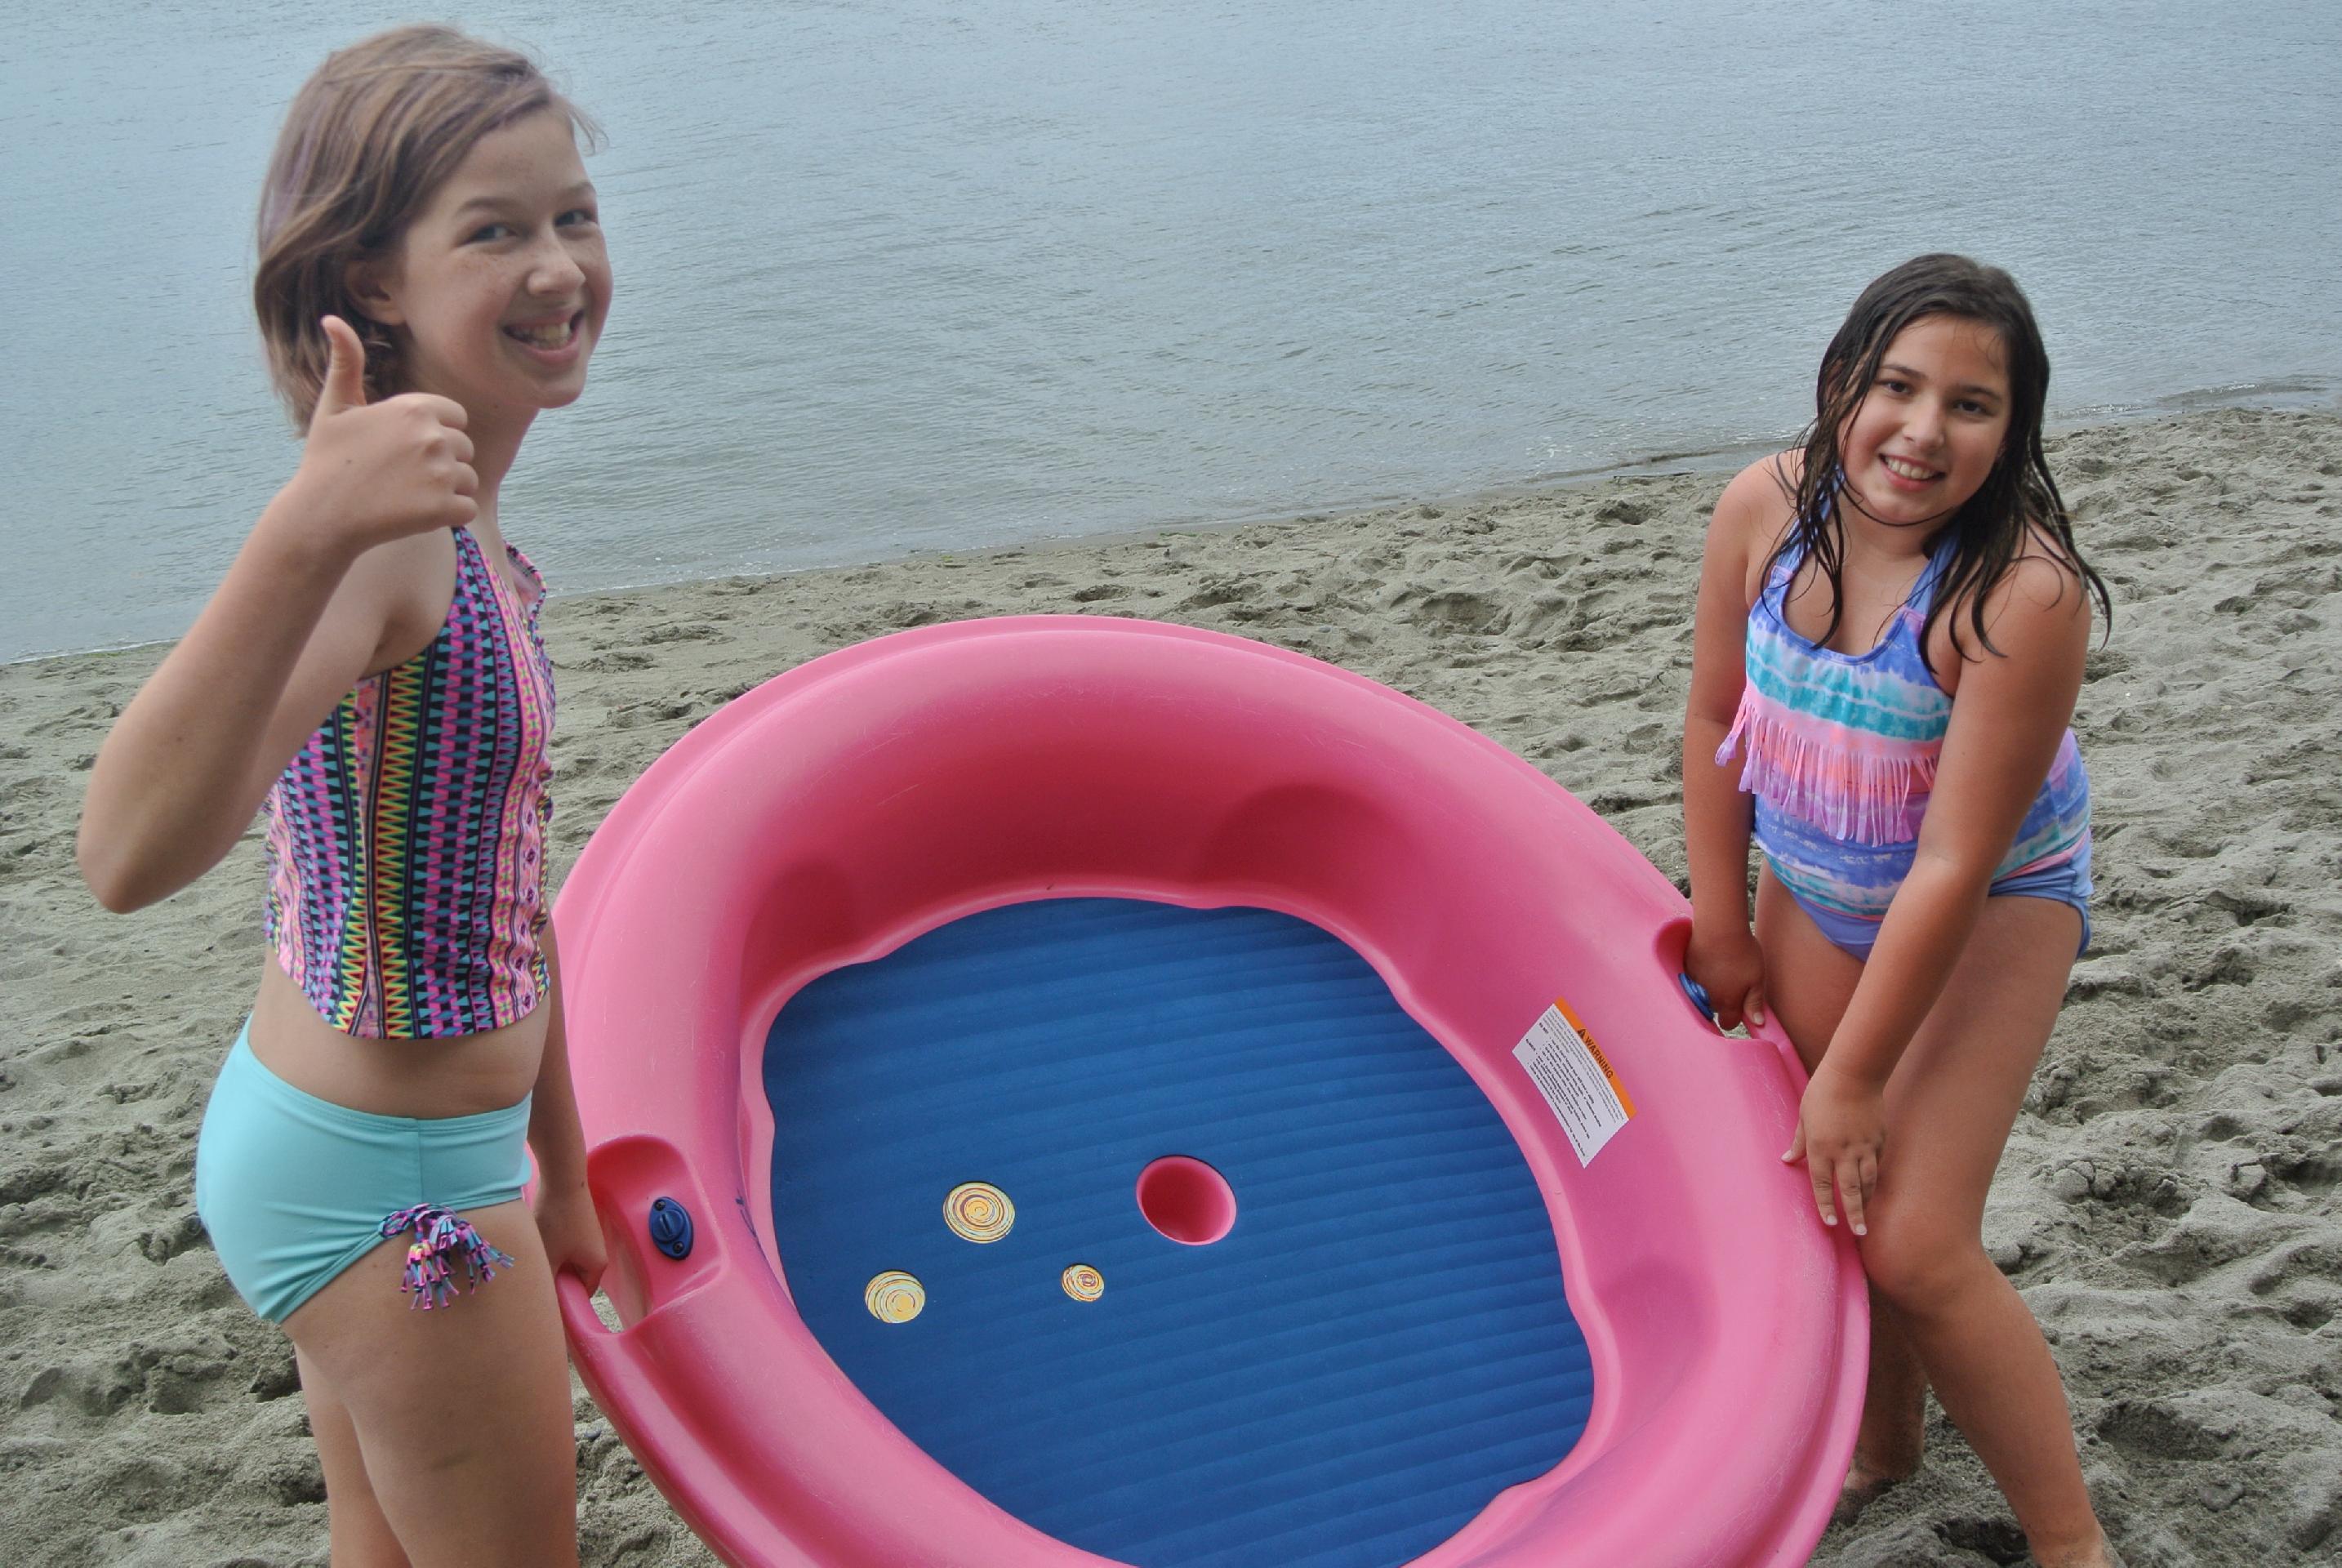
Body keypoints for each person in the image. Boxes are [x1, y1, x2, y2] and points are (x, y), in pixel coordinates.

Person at [76, 25, 611, 1564]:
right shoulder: (382, 547)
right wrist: (301, 529)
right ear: (374, 281)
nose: (560, 268)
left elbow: (505, 878)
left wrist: (564, 1171)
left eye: (574, 215)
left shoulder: (468, 533)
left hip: (369, 1148)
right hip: (395, 1190)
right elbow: (122, 854)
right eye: (494, 231)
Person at [1679, 255, 2122, 1568]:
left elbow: (1952, 863)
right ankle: (1886, 1447)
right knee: (1836, 1207)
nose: (1924, 431)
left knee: (1917, 1244)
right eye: (1897, 387)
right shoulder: (1763, 507)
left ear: (2014, 429)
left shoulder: (2021, 595)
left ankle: (2073, 1542)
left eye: (1971, 405)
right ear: (1840, 386)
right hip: (1815, 875)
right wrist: (1722, 922)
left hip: (1989, 903)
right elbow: (1713, 717)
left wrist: (1857, 1076)